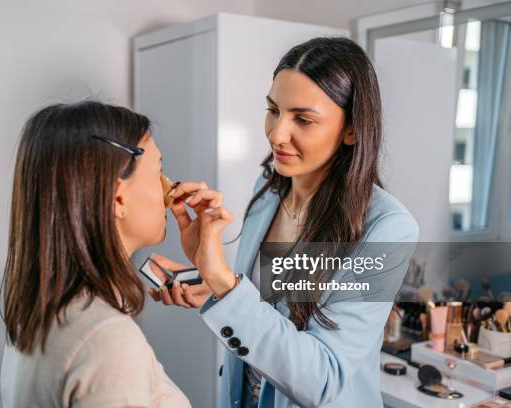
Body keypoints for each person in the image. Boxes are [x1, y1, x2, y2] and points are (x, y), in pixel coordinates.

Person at [149, 37, 419, 408]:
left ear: (352, 130)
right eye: (273, 110)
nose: (277, 134)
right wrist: (209, 280)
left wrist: (226, 286)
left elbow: (324, 379)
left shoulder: (387, 228)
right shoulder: (269, 188)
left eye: (303, 119)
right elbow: (258, 313)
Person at [0, 100, 224, 408]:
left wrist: (218, 280)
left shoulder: (36, 313)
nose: (170, 187)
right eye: (159, 171)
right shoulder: (106, 341)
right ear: (118, 196)